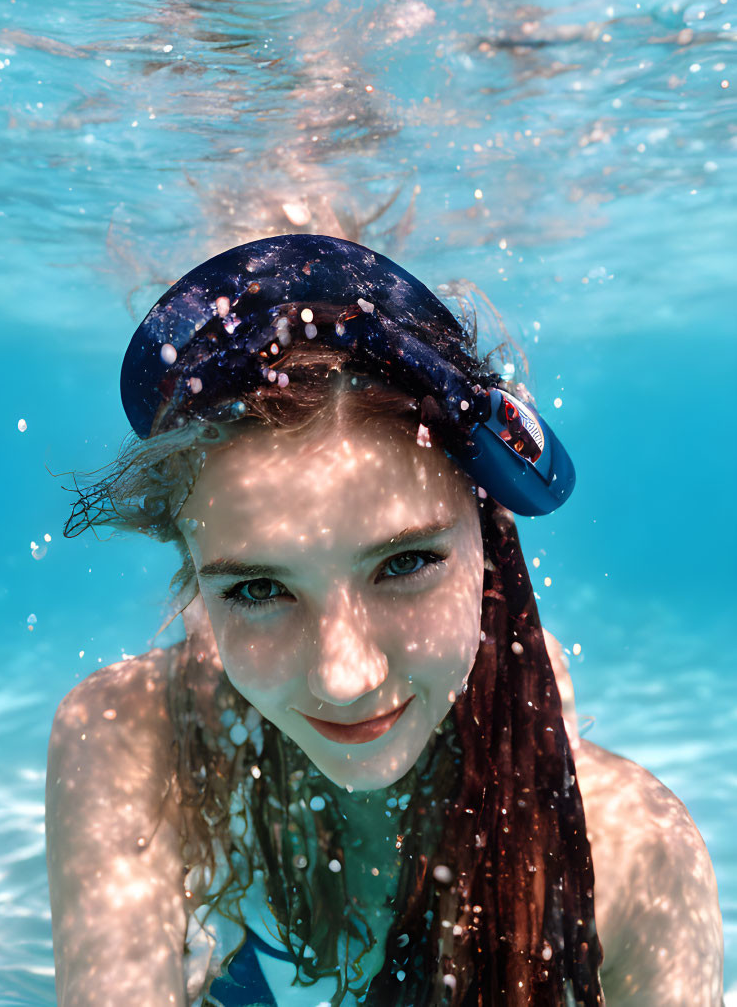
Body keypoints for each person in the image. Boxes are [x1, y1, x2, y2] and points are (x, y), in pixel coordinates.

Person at [45, 234, 723, 1006]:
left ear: (491, 534)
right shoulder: (136, 741)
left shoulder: (633, 847)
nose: (346, 677)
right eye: (259, 589)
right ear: (194, 577)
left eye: (403, 564)